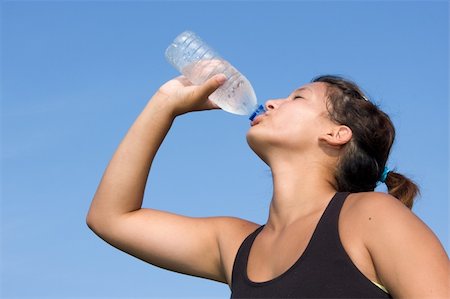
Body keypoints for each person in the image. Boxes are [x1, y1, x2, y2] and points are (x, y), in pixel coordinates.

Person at [86, 74, 449, 298]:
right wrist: (165, 104)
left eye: (298, 97)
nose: (272, 101)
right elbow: (110, 218)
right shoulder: (235, 246)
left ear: (336, 134)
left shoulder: (370, 216)